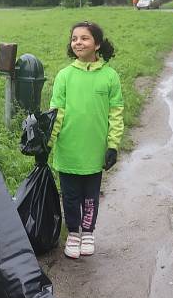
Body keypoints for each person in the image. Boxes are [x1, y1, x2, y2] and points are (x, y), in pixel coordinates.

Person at [48, 21, 124, 259]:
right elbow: (56, 112)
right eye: (74, 38)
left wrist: (112, 145)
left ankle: (88, 232)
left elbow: (116, 112)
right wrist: (48, 142)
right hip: (68, 149)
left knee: (90, 197)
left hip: (94, 150)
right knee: (70, 197)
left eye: (84, 38)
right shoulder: (64, 76)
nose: (78, 42)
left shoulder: (110, 76)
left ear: (97, 44)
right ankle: (73, 233)